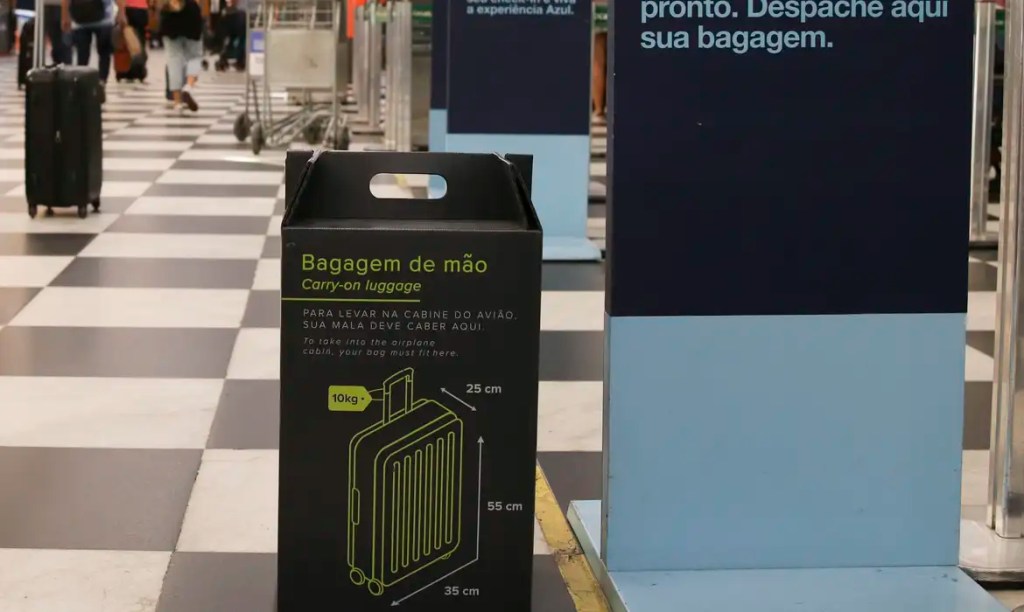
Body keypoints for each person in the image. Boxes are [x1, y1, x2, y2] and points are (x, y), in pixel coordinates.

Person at [61, 0, 126, 91]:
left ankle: (81, 83)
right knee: (104, 54)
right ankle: (102, 81)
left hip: (80, 20)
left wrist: (65, 16)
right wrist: (121, 12)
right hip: (104, 20)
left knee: (82, 55)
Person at [159, 0, 203, 113]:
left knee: (174, 60)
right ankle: (188, 87)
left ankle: (177, 102)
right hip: (191, 13)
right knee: (194, 57)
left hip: (170, 13)